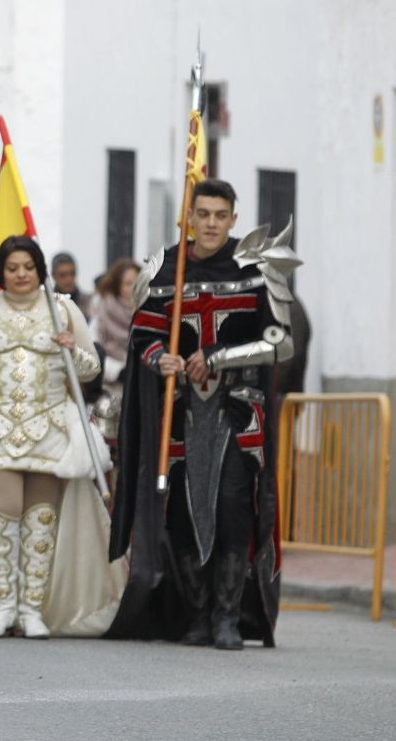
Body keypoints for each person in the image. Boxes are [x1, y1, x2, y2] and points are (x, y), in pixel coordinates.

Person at [108, 179, 301, 650]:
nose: (211, 223)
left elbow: (281, 342)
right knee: (181, 513)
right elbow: (144, 335)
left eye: (220, 215)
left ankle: (228, 616)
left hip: (237, 413)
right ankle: (194, 615)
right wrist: (160, 359)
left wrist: (218, 357)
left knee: (233, 508)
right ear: (188, 217)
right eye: (203, 214)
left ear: (233, 219)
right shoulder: (166, 269)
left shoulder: (256, 267)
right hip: (180, 415)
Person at [0, 236, 124, 639]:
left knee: (41, 519)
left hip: (49, 426)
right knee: (1, 513)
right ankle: (3, 605)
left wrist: (73, 349)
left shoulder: (63, 309)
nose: (20, 274)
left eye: (28, 267)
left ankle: (32, 608)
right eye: (12, 267)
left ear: (39, 270)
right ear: (1, 271)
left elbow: (89, 371)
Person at [90, 259, 141, 400]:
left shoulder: (150, 310)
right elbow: (91, 350)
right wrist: (118, 371)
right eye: (128, 283)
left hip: (141, 384)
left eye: (138, 282)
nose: (134, 287)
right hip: (110, 388)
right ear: (117, 286)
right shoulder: (102, 310)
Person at [51, 252, 91, 318]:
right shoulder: (48, 304)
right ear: (53, 276)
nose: (69, 279)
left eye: (72, 274)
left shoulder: (89, 303)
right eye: (63, 275)